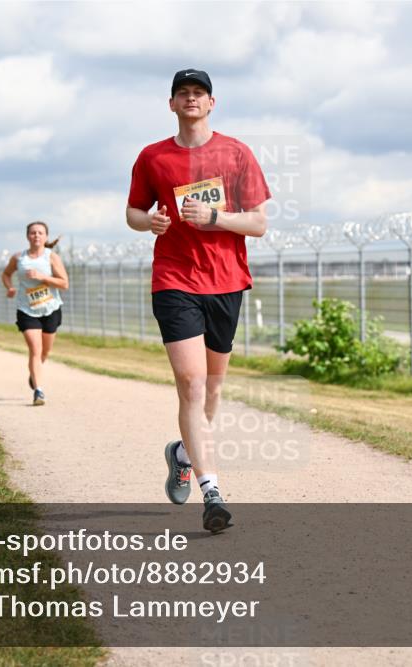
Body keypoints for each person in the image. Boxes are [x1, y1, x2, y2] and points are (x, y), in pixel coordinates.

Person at [125, 68, 270, 533]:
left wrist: (214, 217)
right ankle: (212, 492)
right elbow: (133, 212)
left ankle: (183, 454)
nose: (191, 99)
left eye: (199, 93)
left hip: (225, 281)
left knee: (211, 390)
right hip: (174, 280)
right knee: (191, 383)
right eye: (183, 93)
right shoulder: (152, 156)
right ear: (172, 104)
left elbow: (258, 223)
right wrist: (149, 222)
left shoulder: (236, 153)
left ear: (211, 103)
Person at [0, 222, 68, 406]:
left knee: (45, 352)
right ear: (27, 236)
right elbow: (6, 274)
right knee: (35, 350)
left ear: (46, 237)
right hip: (27, 309)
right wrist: (10, 287)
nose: (36, 235)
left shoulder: (51, 257)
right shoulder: (19, 258)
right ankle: (38, 391)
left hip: (51, 309)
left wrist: (42, 277)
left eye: (40, 233)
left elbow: (64, 283)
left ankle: (34, 374)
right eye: (33, 233)